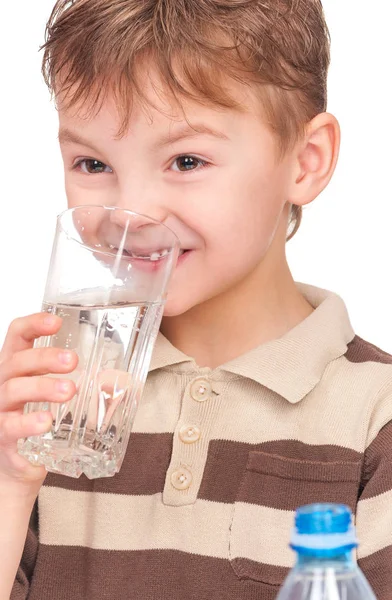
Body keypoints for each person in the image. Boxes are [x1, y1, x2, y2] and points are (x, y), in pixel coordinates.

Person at [1, 1, 391, 598]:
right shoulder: (57, 409)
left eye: (187, 161)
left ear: (306, 161)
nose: (133, 215)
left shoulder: (375, 417)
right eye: (92, 163)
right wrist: (8, 482)